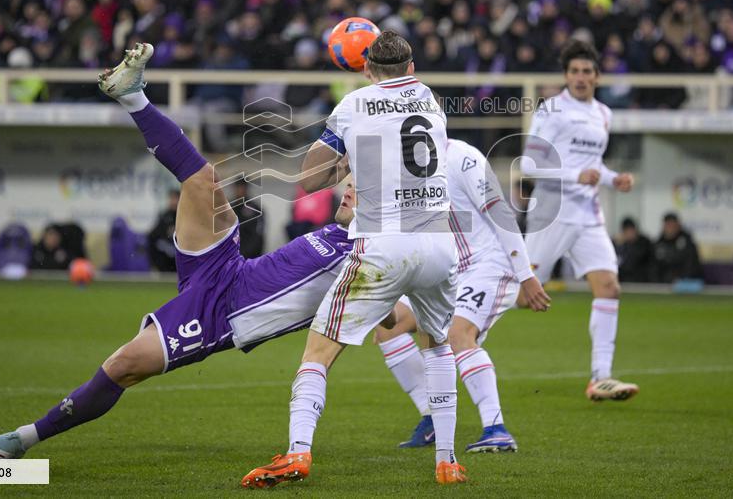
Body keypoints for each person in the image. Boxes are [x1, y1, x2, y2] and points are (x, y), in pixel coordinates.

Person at [0, 43, 356, 461]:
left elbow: (389, 309)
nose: (349, 188)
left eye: (358, 190)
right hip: (227, 268)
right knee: (203, 179)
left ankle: (22, 440)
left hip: (218, 316)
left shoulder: (370, 252)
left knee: (122, 366)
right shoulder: (336, 232)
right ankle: (132, 94)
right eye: (350, 183)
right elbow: (324, 172)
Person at [243, 31, 465, 486]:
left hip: (384, 245)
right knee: (438, 344)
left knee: (318, 352)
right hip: (441, 245)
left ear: (364, 69)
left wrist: (347, 164)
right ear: (411, 66)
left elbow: (308, 179)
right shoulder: (431, 99)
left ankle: (297, 453)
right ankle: (447, 461)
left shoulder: (352, 106)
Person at [374, 138, 550, 453]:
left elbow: (501, 215)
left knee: (457, 334)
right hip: (443, 269)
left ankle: (496, 428)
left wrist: (526, 275)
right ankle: (431, 417)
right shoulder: (405, 169)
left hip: (488, 264)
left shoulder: (463, 158)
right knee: (387, 326)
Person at [520, 39, 639, 402]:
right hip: (552, 212)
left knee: (609, 286)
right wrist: (576, 177)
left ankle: (600, 377)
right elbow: (528, 164)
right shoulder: (553, 109)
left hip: (587, 214)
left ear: (597, 76)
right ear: (566, 75)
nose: (580, 77)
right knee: (522, 295)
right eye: (574, 71)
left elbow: (593, 164)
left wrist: (611, 178)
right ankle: (461, 321)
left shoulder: (604, 113)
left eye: (587, 71)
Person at [650, 212, 703, 282]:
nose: (670, 228)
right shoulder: (658, 244)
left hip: (684, 284)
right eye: (668, 225)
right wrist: (657, 282)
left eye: (673, 225)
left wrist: (681, 279)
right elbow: (653, 267)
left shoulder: (688, 243)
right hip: (662, 284)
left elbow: (692, 265)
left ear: (678, 225)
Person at [146, 189, 180, 272]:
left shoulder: (184, 216)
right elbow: (154, 235)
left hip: (180, 254)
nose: (173, 202)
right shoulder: (165, 216)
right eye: (171, 199)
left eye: (175, 199)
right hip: (166, 258)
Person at [615, 217, 653, 283]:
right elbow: (619, 263)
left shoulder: (644, 242)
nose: (630, 233)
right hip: (624, 281)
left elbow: (636, 259)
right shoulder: (620, 244)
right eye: (627, 230)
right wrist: (620, 246)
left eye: (631, 230)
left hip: (642, 281)